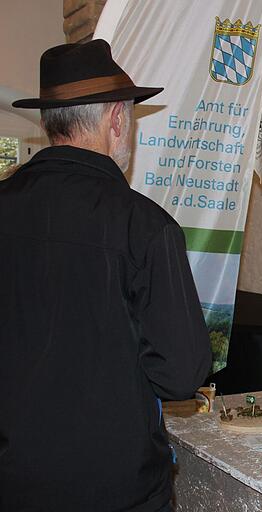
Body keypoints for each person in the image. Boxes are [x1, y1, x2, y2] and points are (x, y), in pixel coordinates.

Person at [0, 40, 212, 512]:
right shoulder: (145, 225)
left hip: (13, 480)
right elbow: (182, 374)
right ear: (117, 119)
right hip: (117, 488)